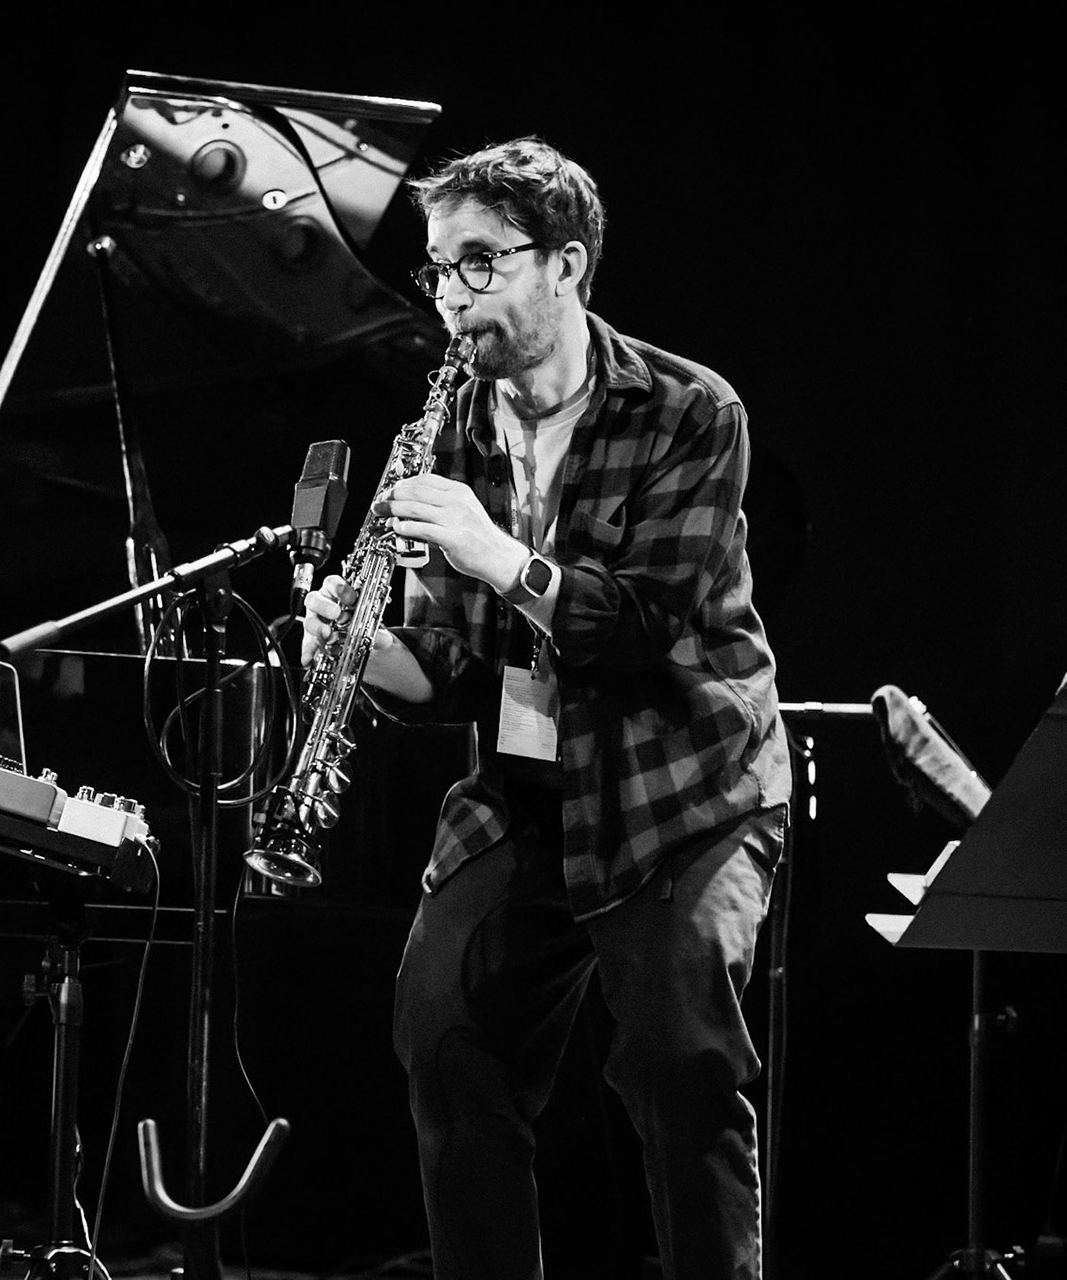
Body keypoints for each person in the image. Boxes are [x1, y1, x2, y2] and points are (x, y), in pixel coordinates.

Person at [302, 138, 790, 1279]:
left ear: (565, 264)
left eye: (480, 263)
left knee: (677, 1069)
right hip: (528, 789)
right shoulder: (452, 424)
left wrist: (496, 553)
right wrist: (364, 650)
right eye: (439, 269)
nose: (451, 294)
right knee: (443, 1041)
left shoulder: (691, 409)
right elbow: (454, 669)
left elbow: (644, 625)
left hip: (682, 790)